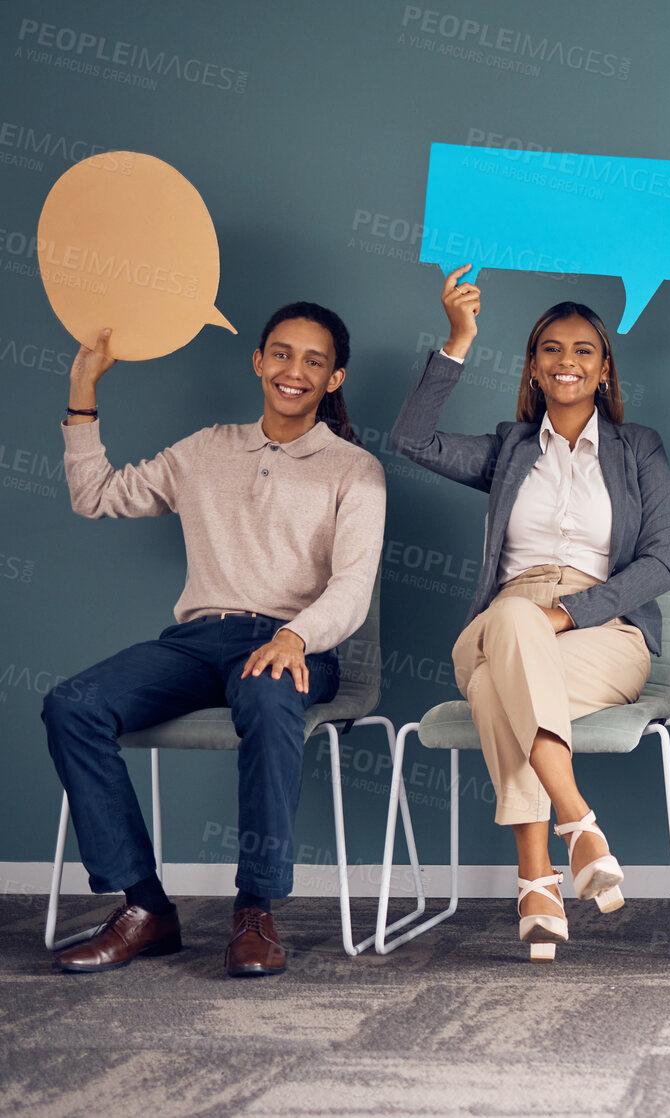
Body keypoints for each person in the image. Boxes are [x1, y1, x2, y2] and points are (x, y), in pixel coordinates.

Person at [43, 304, 385, 978]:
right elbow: (96, 495)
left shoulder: (354, 470)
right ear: (258, 362)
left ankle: (253, 909)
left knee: (265, 696)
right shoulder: (205, 449)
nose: (295, 371)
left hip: (296, 645)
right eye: (282, 354)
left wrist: (294, 637)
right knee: (73, 705)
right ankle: (145, 908)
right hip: (197, 641)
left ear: (334, 377)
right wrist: (84, 391)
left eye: (314, 361)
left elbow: (351, 587)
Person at [393, 267, 670, 963]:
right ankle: (577, 820)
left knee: (498, 684)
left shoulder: (638, 448)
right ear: (532, 364)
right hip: (498, 623)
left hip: (600, 635)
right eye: (551, 348)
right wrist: (459, 339)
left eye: (583, 350)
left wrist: (567, 613)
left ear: (605, 367)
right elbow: (412, 439)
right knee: (511, 620)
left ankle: (536, 877)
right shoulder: (510, 448)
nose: (567, 362)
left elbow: (658, 566)